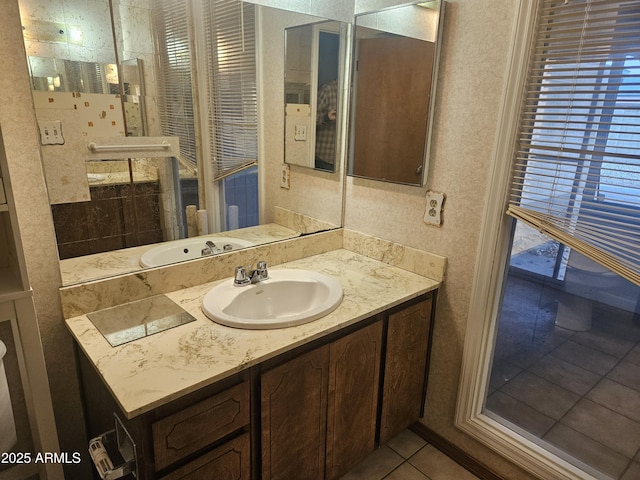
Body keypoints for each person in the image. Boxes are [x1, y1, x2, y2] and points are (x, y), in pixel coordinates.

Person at [315, 79, 338, 171]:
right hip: (325, 156)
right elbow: (311, 120)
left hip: (349, 159)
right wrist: (326, 118)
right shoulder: (328, 89)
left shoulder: (360, 90)